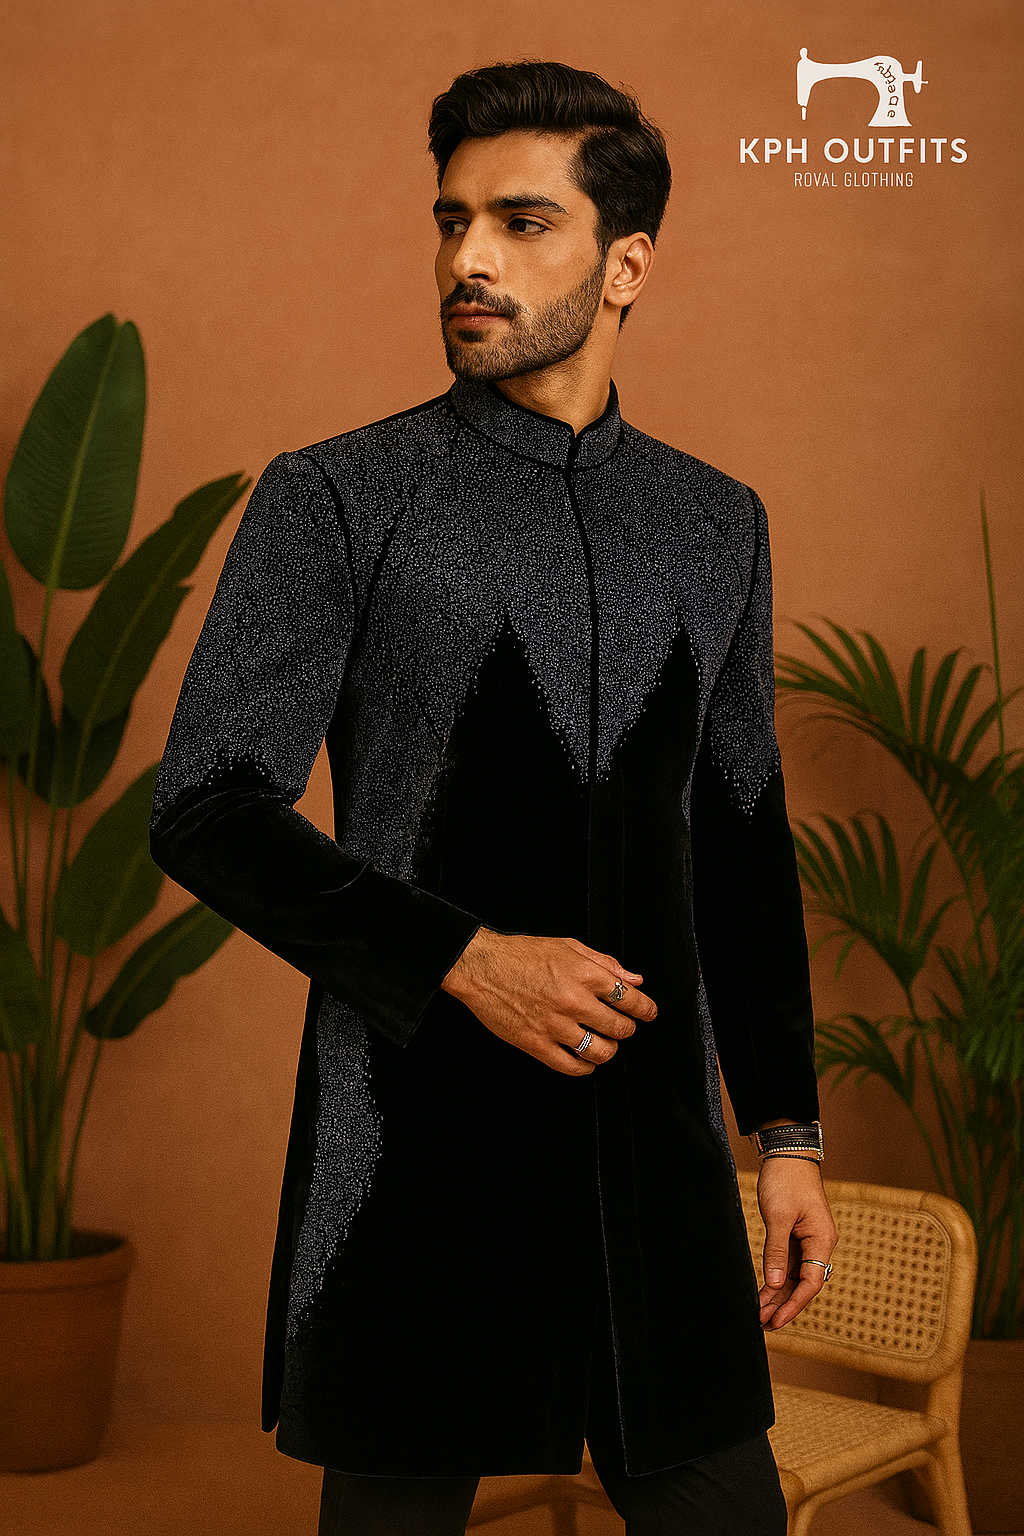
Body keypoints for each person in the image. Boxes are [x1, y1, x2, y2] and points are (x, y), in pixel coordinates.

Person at [150, 59, 836, 1536]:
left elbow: (737, 836)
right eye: (452, 220)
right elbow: (206, 802)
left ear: (627, 263)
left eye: (523, 223)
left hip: (651, 1159)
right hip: (421, 1143)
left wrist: (787, 1133)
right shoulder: (338, 496)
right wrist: (464, 957)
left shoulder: (716, 522)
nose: (470, 258)